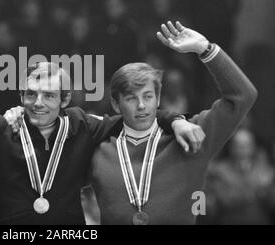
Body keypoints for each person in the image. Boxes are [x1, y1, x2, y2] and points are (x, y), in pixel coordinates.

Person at [0, 0, 204, 224]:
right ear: (21, 96)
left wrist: (175, 120)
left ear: (65, 99)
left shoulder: (83, 127)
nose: (38, 103)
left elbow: (135, 115)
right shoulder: (3, 129)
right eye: (31, 94)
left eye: (49, 96)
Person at [89, 21, 257, 224]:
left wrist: (205, 49)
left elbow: (243, 95)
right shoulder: (97, 148)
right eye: (132, 98)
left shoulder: (191, 135)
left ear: (158, 99)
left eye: (148, 96)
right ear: (116, 104)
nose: (141, 105)